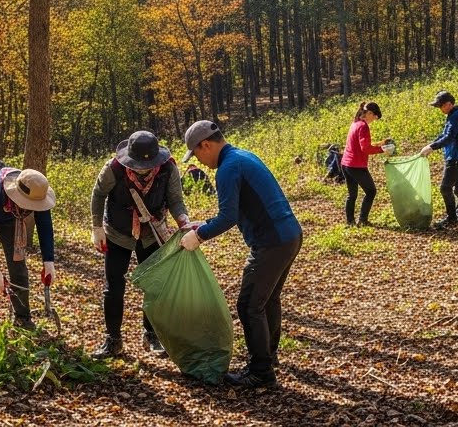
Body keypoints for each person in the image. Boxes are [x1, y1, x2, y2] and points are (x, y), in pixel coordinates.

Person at [179, 120, 303, 388]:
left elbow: (228, 217)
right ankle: (268, 356)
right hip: (289, 235)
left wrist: (198, 237)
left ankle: (261, 372)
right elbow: (236, 208)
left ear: (206, 145)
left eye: (197, 154)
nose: (198, 161)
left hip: (272, 242)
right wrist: (202, 225)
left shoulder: (227, 168)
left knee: (248, 305)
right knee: (267, 300)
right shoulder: (242, 155)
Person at [89, 130, 190, 359]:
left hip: (152, 232)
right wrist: (96, 229)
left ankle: (151, 334)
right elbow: (98, 195)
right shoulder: (113, 169)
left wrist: (184, 221)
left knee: (154, 284)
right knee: (113, 286)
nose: (142, 169)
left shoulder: (168, 169)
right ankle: (113, 339)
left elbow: (175, 201)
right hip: (117, 232)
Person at [0, 166, 57, 329]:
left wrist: (48, 260)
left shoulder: (37, 192)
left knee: (18, 265)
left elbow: (45, 226)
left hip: (9, 217)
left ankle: (22, 317)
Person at [419, 91, 458, 228]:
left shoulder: (457, 117)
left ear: (449, 104)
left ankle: (451, 219)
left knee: (445, 188)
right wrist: (431, 144)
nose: (439, 108)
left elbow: (450, 137)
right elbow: (444, 134)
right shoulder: (455, 114)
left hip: (455, 157)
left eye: (441, 105)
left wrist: (432, 147)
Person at [341, 103, 392, 227]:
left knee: (352, 195)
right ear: (369, 113)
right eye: (374, 117)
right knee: (371, 191)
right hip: (356, 166)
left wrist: (380, 143)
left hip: (346, 164)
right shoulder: (363, 126)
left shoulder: (355, 123)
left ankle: (350, 222)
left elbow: (363, 145)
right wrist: (382, 150)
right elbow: (365, 149)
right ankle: (363, 220)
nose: (374, 120)